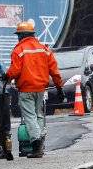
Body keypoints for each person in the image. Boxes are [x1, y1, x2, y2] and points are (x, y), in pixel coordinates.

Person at [4, 21, 64, 159]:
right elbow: (54, 70)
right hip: (40, 89)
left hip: (26, 89)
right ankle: (40, 141)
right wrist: (59, 87)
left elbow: (15, 70)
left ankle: (36, 147)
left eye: (18, 35)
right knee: (37, 115)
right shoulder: (44, 49)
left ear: (21, 35)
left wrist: (6, 76)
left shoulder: (19, 50)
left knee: (30, 117)